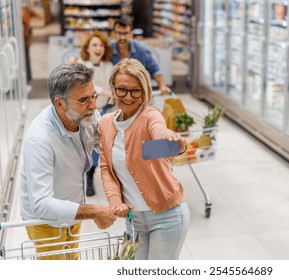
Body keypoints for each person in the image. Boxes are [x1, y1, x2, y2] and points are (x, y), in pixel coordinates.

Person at [19, 64, 117, 259]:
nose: (93, 106)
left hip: (73, 209)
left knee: (71, 259)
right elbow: (41, 204)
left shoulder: (86, 115)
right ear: (59, 104)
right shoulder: (40, 139)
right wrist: (95, 211)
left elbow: (105, 146)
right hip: (45, 221)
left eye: (93, 96)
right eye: (83, 100)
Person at [99, 58, 190, 259]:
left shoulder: (150, 117)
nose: (129, 97)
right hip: (134, 221)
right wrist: (115, 202)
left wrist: (172, 140)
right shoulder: (105, 124)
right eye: (122, 89)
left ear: (144, 91)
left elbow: (163, 137)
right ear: (113, 89)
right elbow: (106, 168)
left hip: (168, 216)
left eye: (136, 91)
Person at [70, 31, 115, 196]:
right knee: (85, 145)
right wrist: (106, 92)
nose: (98, 48)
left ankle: (90, 177)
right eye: (94, 45)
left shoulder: (108, 66)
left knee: (99, 146)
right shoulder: (81, 65)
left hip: (104, 111)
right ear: (87, 48)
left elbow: (112, 87)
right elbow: (90, 87)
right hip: (85, 113)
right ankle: (81, 176)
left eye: (101, 45)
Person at [111, 18, 171, 94]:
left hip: (138, 93)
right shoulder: (107, 49)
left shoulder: (142, 50)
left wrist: (162, 86)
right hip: (114, 93)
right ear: (114, 34)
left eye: (125, 33)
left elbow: (155, 70)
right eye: (119, 33)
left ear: (131, 34)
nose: (122, 37)